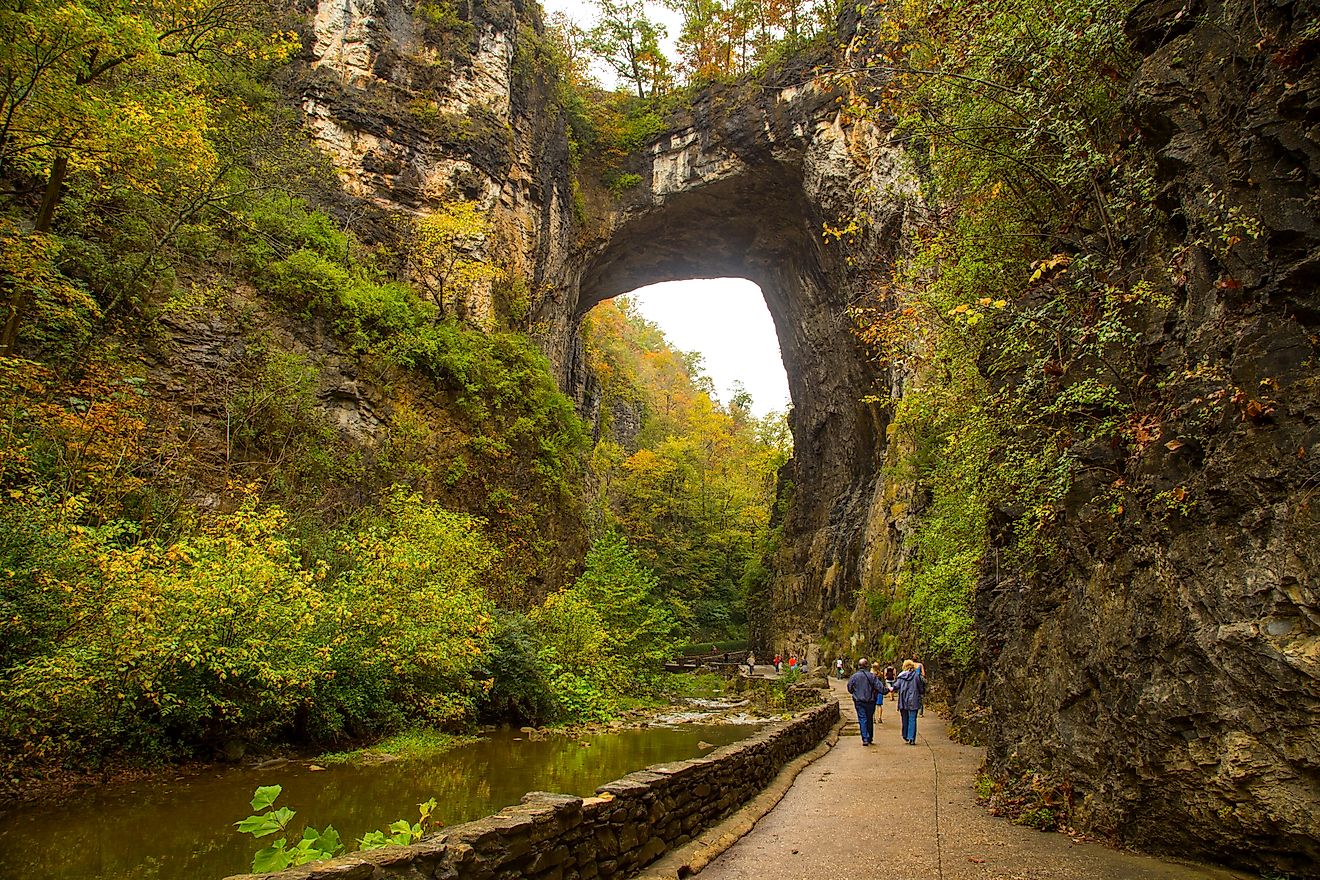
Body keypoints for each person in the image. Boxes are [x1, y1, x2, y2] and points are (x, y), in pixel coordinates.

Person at [846, 658, 884, 746]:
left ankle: (865, 738)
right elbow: (880, 687)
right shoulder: (872, 676)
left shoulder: (854, 677)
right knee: (869, 718)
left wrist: (855, 693)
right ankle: (869, 737)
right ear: (867, 666)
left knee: (862, 719)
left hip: (859, 701)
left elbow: (849, 688)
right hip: (870, 701)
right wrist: (887, 690)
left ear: (858, 666)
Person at [894, 659, 927, 745]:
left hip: (903, 700)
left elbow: (896, 686)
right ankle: (911, 738)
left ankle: (905, 735)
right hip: (914, 699)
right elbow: (921, 687)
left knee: (904, 719)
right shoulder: (916, 676)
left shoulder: (901, 676)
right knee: (912, 719)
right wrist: (921, 692)